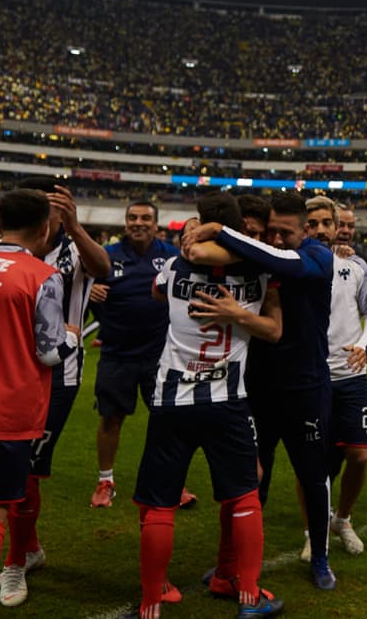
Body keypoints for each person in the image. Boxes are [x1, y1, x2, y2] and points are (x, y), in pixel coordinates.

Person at [0, 178, 111, 608]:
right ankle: (21, 553)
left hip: (57, 376)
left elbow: (102, 269)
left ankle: (16, 560)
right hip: (2, 380)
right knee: (7, 479)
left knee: (27, 474)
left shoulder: (72, 250)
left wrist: (77, 228)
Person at [132, 191, 284, 619]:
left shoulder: (173, 266)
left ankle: (150, 603)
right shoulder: (261, 270)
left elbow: (157, 293)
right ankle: (250, 596)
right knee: (243, 497)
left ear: (200, 222)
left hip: (171, 398)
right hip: (227, 399)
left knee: (160, 504)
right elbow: (273, 318)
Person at [183, 189, 338, 590]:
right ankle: (238, 561)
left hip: (306, 387)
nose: (278, 240)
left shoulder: (318, 257)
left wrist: (220, 230)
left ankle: (319, 556)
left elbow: (282, 261)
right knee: (251, 477)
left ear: (304, 230)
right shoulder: (259, 255)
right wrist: (196, 230)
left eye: (287, 233)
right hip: (257, 387)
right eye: (272, 232)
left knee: (311, 474)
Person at [88, 201, 191, 509]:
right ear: (125, 222)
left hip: (161, 356)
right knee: (110, 419)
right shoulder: (108, 255)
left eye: (145, 218)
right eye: (133, 217)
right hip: (117, 354)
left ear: (156, 224)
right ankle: (105, 480)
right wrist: (93, 294)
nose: (138, 223)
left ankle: (172, 481)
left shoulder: (171, 256)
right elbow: (88, 292)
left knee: (166, 421)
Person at [296, 196, 367, 559]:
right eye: (312, 224)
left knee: (359, 457)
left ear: (336, 226)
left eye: (327, 224)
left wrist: (364, 346)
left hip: (350, 375)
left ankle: (342, 519)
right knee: (312, 461)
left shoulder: (357, 264)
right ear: (305, 228)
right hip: (310, 377)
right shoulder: (293, 261)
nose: (320, 230)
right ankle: (311, 531)